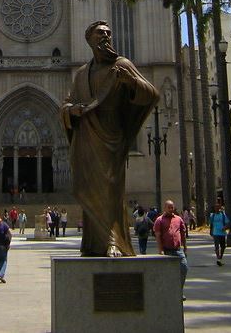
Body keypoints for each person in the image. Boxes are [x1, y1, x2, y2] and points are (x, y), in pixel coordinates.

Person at [60, 20, 158, 256]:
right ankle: (94, 243)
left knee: (110, 189)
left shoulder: (122, 65)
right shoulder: (82, 73)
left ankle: (114, 239)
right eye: (99, 34)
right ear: (90, 39)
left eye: (108, 33)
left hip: (111, 135)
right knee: (89, 189)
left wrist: (131, 81)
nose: (105, 37)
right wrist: (71, 110)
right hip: (87, 136)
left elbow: (151, 93)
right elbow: (68, 102)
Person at [153, 200, 189, 292]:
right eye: (168, 207)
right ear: (164, 208)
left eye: (172, 207)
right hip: (166, 250)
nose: (170, 209)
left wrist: (185, 247)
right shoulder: (159, 220)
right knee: (167, 272)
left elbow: (183, 233)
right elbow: (158, 236)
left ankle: (179, 290)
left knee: (184, 267)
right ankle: (168, 291)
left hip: (178, 250)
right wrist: (160, 250)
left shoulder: (178, 219)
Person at [208, 201, 230, 266]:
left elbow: (228, 223)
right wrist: (211, 231)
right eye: (216, 207)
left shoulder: (223, 215)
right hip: (215, 233)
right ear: (214, 208)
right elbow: (211, 224)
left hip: (222, 233)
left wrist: (225, 227)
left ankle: (220, 257)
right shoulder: (213, 215)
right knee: (217, 246)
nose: (217, 209)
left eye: (218, 207)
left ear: (220, 208)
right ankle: (218, 258)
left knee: (223, 247)